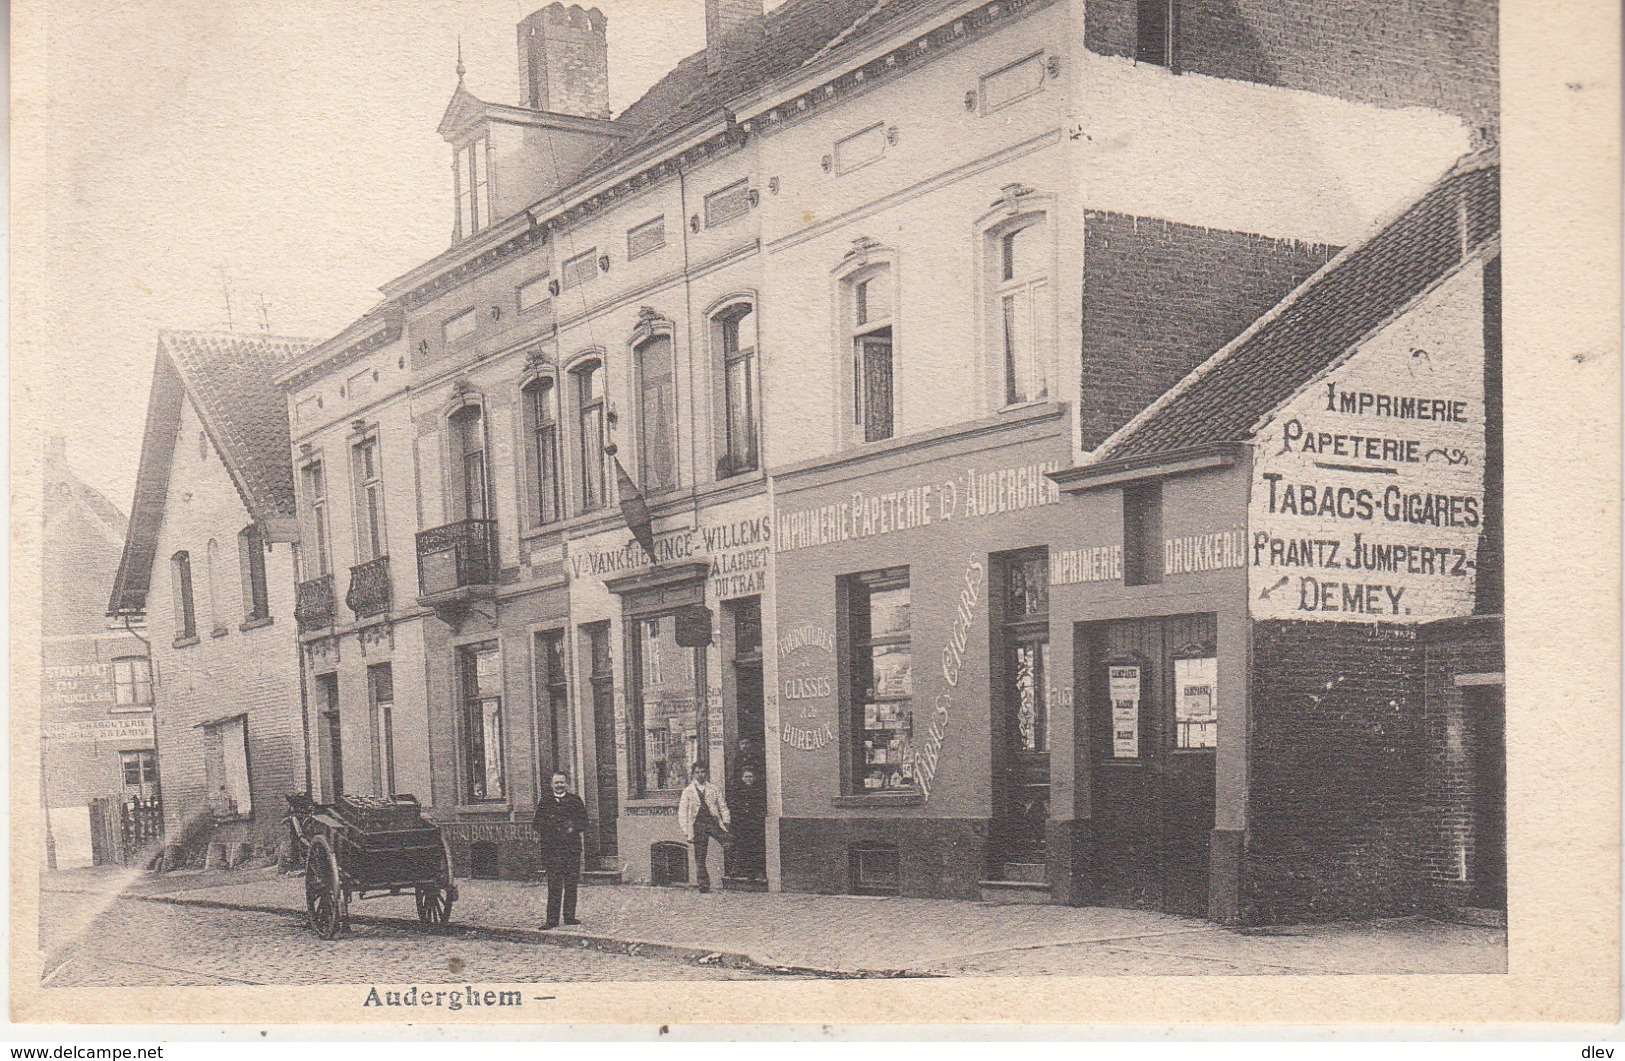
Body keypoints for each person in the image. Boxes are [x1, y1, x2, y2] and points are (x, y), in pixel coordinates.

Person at [531, 770, 588, 928]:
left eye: (562, 782)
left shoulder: (575, 801)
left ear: (566, 783)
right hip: (553, 852)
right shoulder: (545, 802)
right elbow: (537, 824)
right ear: (552, 785)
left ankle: (570, 917)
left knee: (571, 885)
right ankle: (552, 920)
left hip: (571, 850)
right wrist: (552, 828)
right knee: (554, 886)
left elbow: (584, 822)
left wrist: (572, 827)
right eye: (556, 782)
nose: (560, 785)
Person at [676, 762, 731, 893]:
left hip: (713, 823)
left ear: (706, 773)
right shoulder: (688, 791)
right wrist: (686, 830)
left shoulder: (713, 789)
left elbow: (723, 806)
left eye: (703, 772)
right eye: (698, 772)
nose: (701, 775)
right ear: (693, 774)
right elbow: (682, 813)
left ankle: (732, 873)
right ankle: (703, 883)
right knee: (700, 856)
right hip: (698, 826)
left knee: (729, 842)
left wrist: (726, 821)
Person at [727, 764, 767, 882]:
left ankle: (756, 872)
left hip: (755, 824)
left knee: (755, 847)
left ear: (754, 778)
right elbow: (734, 806)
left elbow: (760, 806)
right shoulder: (737, 791)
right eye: (746, 777)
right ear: (742, 778)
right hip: (742, 824)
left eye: (750, 777)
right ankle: (744, 871)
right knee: (743, 847)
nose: (748, 779)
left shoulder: (758, 791)